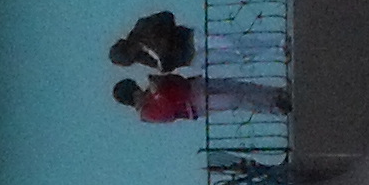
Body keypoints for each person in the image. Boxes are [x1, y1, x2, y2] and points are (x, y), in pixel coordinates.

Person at [113, 69, 294, 123]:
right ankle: (275, 107)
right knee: (235, 100)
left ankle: (275, 93)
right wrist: (157, 91)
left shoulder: (149, 94)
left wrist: (162, 80)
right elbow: (167, 110)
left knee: (237, 86)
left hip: (193, 86)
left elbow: (173, 81)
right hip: (194, 104)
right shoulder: (146, 113)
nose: (140, 90)